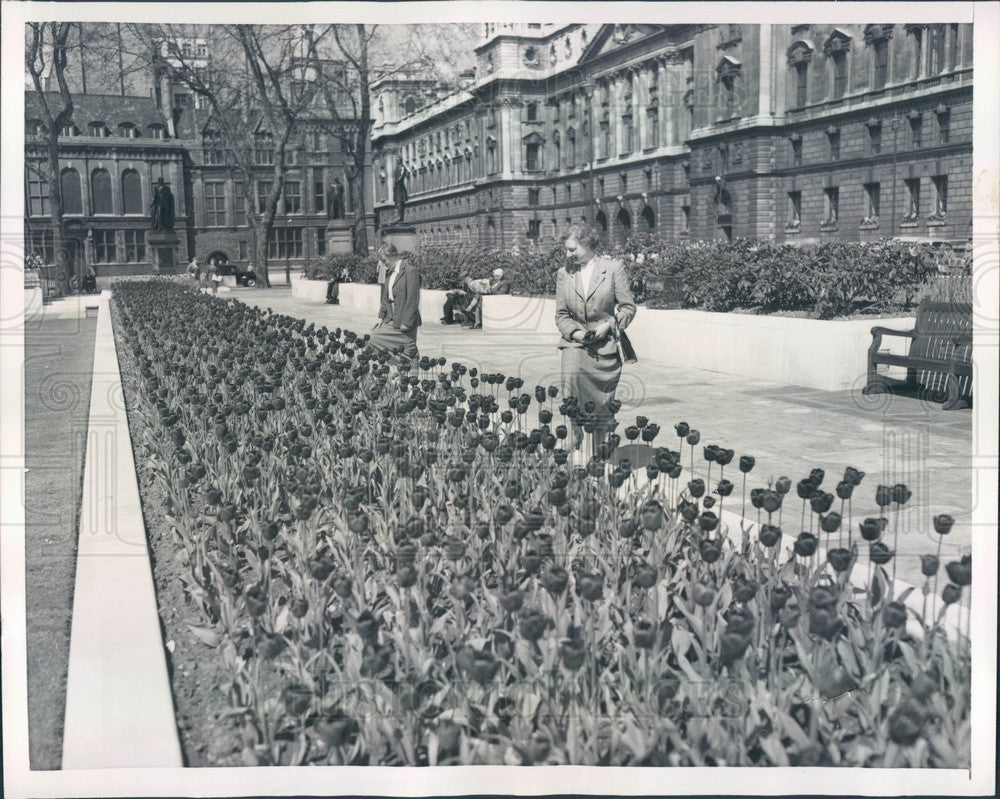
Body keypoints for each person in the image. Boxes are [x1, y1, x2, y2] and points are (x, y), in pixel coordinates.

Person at [555, 222, 637, 464]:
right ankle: (574, 433)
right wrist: (576, 334)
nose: (567, 255)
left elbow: (628, 307)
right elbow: (561, 314)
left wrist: (610, 324)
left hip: (605, 346)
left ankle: (600, 447)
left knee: (601, 400)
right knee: (570, 383)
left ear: (588, 244)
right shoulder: (564, 273)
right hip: (575, 344)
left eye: (572, 250)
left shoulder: (613, 269)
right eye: (566, 250)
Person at [368, 244, 420, 360]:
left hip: (404, 320)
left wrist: (406, 322)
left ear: (392, 256)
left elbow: (413, 298)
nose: (382, 263)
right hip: (391, 317)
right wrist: (381, 316)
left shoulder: (410, 270)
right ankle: (393, 368)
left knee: (407, 351)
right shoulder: (389, 272)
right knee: (373, 338)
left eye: (383, 260)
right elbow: (385, 297)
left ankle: (411, 372)